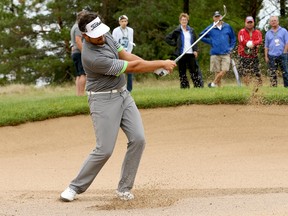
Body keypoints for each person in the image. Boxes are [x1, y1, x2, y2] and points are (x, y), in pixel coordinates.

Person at [60, 12, 176, 202]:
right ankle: (75, 187)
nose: (102, 37)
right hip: (102, 100)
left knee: (138, 139)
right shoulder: (91, 58)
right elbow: (132, 67)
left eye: (102, 32)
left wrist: (155, 68)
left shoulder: (106, 36)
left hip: (123, 94)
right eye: (96, 35)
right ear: (85, 37)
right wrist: (160, 63)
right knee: (104, 149)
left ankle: (124, 188)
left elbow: (127, 55)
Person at [165, 13, 203, 88]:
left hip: (190, 53)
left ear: (187, 21)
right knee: (182, 71)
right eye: (182, 20)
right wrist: (175, 44)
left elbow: (195, 41)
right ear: (180, 21)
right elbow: (167, 38)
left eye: (185, 20)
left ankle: (198, 85)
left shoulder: (191, 31)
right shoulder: (177, 31)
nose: (184, 21)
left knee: (194, 70)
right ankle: (185, 87)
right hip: (181, 54)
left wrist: (195, 50)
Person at [199, 11, 236, 87]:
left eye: (219, 16)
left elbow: (233, 38)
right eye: (216, 17)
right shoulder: (210, 27)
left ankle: (213, 83)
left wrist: (230, 48)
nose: (218, 18)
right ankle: (219, 88)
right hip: (215, 53)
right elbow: (201, 36)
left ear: (221, 17)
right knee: (217, 71)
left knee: (224, 70)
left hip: (226, 52)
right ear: (213, 18)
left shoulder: (227, 26)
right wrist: (211, 42)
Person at [237, 16, 263, 86]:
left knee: (257, 72)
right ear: (245, 23)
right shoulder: (242, 31)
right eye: (248, 22)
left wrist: (253, 43)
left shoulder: (257, 32)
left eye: (251, 22)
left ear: (253, 23)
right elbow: (241, 40)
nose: (249, 24)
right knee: (244, 73)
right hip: (243, 55)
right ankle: (247, 86)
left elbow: (260, 40)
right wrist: (248, 43)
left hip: (254, 55)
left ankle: (259, 86)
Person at [112, 15, 134, 92]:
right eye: (122, 21)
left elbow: (131, 42)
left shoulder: (130, 30)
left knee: (130, 71)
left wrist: (128, 54)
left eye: (125, 21)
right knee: (119, 71)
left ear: (127, 22)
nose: (124, 23)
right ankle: (119, 88)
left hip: (128, 52)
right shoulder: (115, 31)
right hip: (119, 53)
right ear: (119, 22)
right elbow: (114, 43)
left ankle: (129, 90)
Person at [264, 16, 288, 87]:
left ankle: (286, 87)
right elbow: (266, 46)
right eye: (271, 21)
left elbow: (287, 42)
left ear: (278, 21)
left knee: (285, 72)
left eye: (275, 20)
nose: (273, 22)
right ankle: (273, 88)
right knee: (272, 73)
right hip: (271, 55)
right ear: (270, 23)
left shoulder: (284, 31)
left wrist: (285, 52)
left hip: (282, 54)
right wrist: (266, 56)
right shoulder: (268, 33)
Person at [70, 10, 87, 96]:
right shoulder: (78, 27)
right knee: (83, 74)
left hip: (74, 52)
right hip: (79, 52)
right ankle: (81, 94)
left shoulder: (74, 26)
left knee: (78, 74)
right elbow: (78, 40)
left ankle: (78, 94)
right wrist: (84, 52)